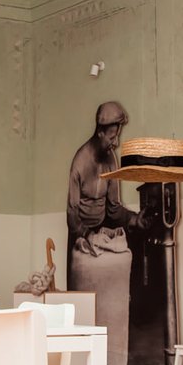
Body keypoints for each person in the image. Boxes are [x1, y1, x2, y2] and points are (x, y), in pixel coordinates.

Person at [66, 101, 137, 283]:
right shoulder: (80, 162)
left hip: (103, 229)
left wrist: (134, 219)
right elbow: (72, 215)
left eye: (117, 136)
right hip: (80, 233)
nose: (116, 143)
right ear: (100, 133)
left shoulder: (111, 159)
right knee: (82, 288)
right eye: (112, 137)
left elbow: (114, 209)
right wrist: (88, 235)